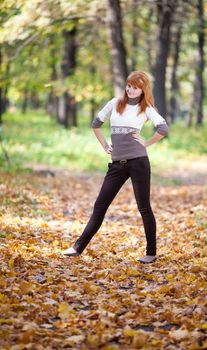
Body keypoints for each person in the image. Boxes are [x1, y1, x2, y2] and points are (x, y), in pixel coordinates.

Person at [63, 71, 168, 263]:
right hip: (117, 165)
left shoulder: (146, 109)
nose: (131, 90)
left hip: (139, 163)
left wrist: (146, 143)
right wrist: (104, 145)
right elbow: (96, 124)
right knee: (100, 205)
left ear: (143, 90)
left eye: (136, 87)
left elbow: (163, 128)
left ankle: (151, 253)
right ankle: (77, 248)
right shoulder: (115, 103)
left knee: (144, 207)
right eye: (129, 85)